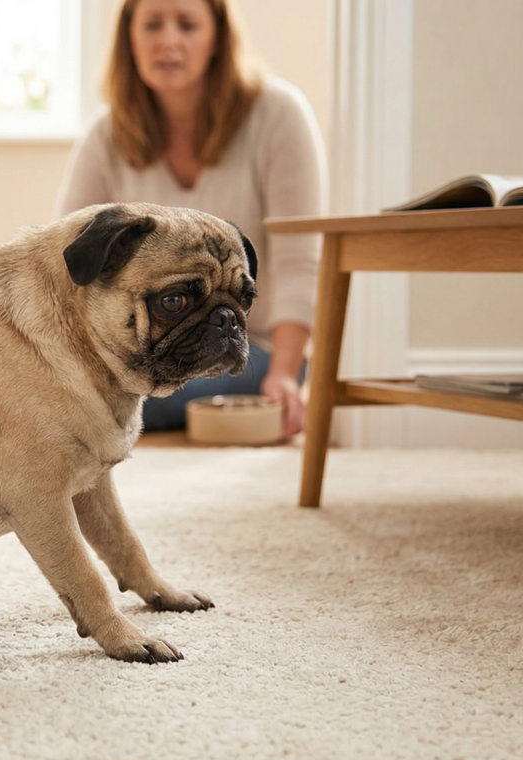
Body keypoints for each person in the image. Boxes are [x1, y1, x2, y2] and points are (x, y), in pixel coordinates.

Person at [55, 0, 325, 438]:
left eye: (187, 24)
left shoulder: (279, 115)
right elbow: (64, 259)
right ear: (129, 36)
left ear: (217, 36)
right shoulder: (104, 134)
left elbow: (300, 260)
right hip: (133, 350)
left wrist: (284, 373)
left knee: (108, 401)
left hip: (250, 351)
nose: (169, 41)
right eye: (153, 24)